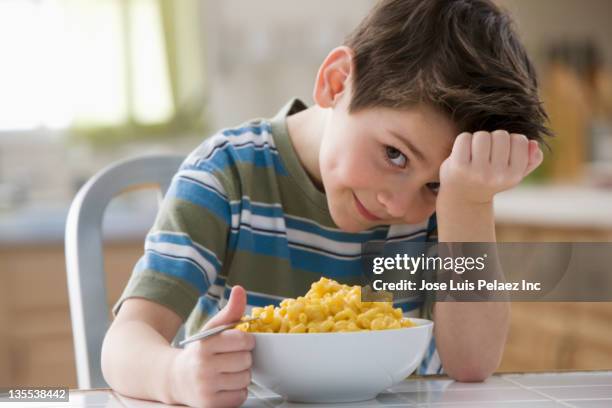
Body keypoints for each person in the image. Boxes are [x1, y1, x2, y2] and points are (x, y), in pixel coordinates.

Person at [101, 0, 551, 406]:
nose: (398, 204)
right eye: (394, 155)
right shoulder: (225, 177)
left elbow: (471, 365)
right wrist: (176, 376)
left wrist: (467, 202)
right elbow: (124, 344)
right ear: (336, 83)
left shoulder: (449, 208)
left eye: (434, 185)